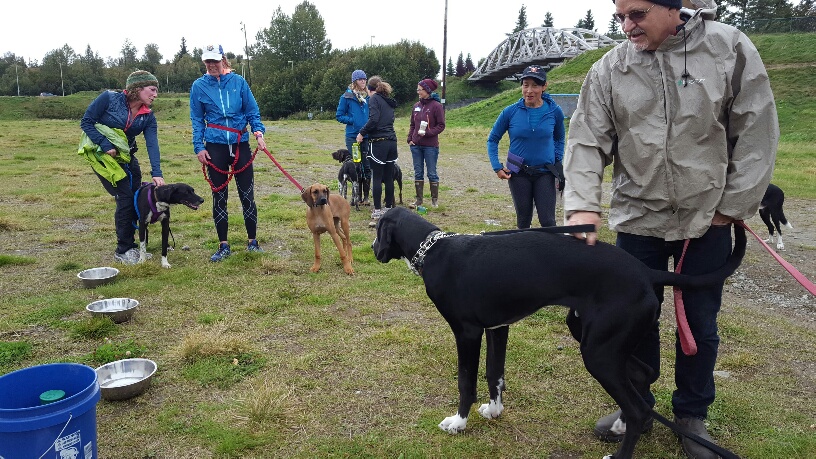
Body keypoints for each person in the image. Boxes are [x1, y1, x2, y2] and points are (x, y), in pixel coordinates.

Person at [564, 1, 778, 457]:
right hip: (638, 219)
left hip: (707, 220)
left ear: (673, 6)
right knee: (630, 318)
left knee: (699, 323)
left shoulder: (730, 48)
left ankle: (691, 416)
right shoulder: (609, 69)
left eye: (637, 13)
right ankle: (635, 404)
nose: (627, 26)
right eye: (619, 15)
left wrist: (732, 206)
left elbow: (757, 130)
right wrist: (581, 207)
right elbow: (586, 138)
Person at [190, 44, 267, 262]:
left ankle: (252, 241)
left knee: (247, 195)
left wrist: (259, 133)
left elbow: (252, 111)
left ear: (223, 60)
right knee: (219, 197)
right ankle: (223, 245)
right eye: (207, 62)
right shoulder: (198, 86)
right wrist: (199, 146)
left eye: (215, 61)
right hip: (215, 146)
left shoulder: (239, 83)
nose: (211, 65)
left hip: (240, 142)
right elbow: (196, 119)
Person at [80, 70, 165, 265]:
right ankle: (123, 249)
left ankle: (134, 246)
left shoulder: (148, 116)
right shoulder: (109, 99)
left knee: (137, 197)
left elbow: (152, 144)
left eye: (156, 90)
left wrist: (157, 172)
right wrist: (105, 144)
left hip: (127, 157)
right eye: (152, 89)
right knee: (125, 197)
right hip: (102, 156)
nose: (155, 94)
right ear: (137, 88)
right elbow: (86, 122)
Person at [487, 65, 565, 229]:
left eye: (535, 85)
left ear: (544, 87)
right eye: (525, 84)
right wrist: (497, 167)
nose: (529, 90)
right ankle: (523, 254)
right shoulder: (510, 112)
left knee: (548, 222)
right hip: (518, 172)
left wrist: (557, 159)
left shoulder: (554, 111)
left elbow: (559, 137)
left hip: (545, 172)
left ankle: (552, 254)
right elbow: (493, 139)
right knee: (523, 221)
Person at [356, 75, 398, 228]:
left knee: (377, 177)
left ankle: (378, 210)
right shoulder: (388, 100)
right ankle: (389, 208)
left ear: (369, 88)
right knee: (388, 177)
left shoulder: (373, 99)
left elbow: (374, 120)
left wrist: (361, 133)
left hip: (379, 142)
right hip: (392, 141)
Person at [407, 78, 446, 208]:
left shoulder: (437, 106)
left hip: (431, 146)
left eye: (420, 89)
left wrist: (428, 133)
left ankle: (434, 200)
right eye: (418, 89)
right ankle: (419, 200)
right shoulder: (416, 106)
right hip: (416, 145)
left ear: (427, 90)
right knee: (418, 172)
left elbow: (441, 125)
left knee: (431, 173)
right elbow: (413, 124)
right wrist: (410, 139)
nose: (418, 91)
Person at [336, 69, 372, 205]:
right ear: (354, 81)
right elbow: (339, 115)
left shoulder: (369, 96)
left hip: (367, 135)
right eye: (360, 79)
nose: (363, 81)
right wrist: (353, 120)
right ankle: (356, 196)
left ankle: (366, 197)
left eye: (364, 79)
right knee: (356, 165)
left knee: (367, 166)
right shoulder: (346, 96)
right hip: (352, 136)